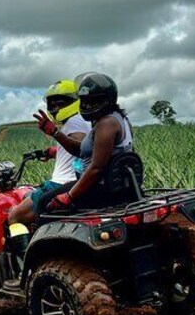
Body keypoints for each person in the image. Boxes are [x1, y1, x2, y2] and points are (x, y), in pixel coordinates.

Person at [5, 80, 90, 262]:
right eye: (52, 103)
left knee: (15, 216)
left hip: (61, 184)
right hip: (74, 180)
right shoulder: (81, 120)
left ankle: (24, 265)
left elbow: (80, 147)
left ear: (74, 101)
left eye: (60, 102)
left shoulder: (75, 122)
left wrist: (54, 134)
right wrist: (53, 152)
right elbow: (80, 152)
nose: (55, 107)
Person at [38, 72, 134, 212]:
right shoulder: (120, 118)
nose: (88, 106)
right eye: (84, 101)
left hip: (100, 188)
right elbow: (81, 151)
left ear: (108, 100)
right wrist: (55, 133)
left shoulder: (106, 124)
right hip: (114, 186)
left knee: (43, 203)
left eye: (94, 101)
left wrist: (69, 196)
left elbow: (96, 168)